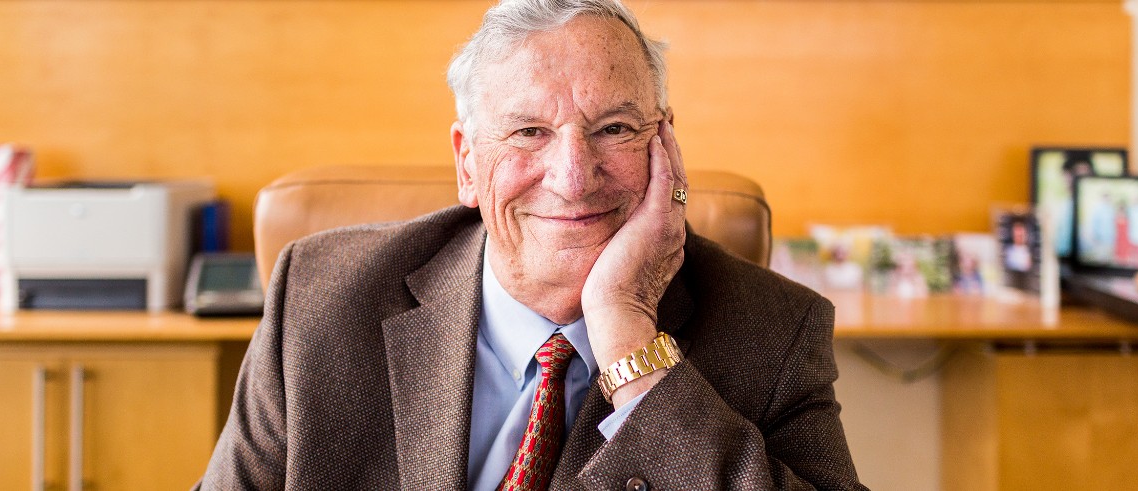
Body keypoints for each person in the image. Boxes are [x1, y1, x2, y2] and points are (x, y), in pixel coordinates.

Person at [196, 1, 864, 489]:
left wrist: (631, 342)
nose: (573, 178)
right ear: (466, 163)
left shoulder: (775, 331)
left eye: (614, 127)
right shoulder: (320, 297)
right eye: (527, 133)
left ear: (666, 145)